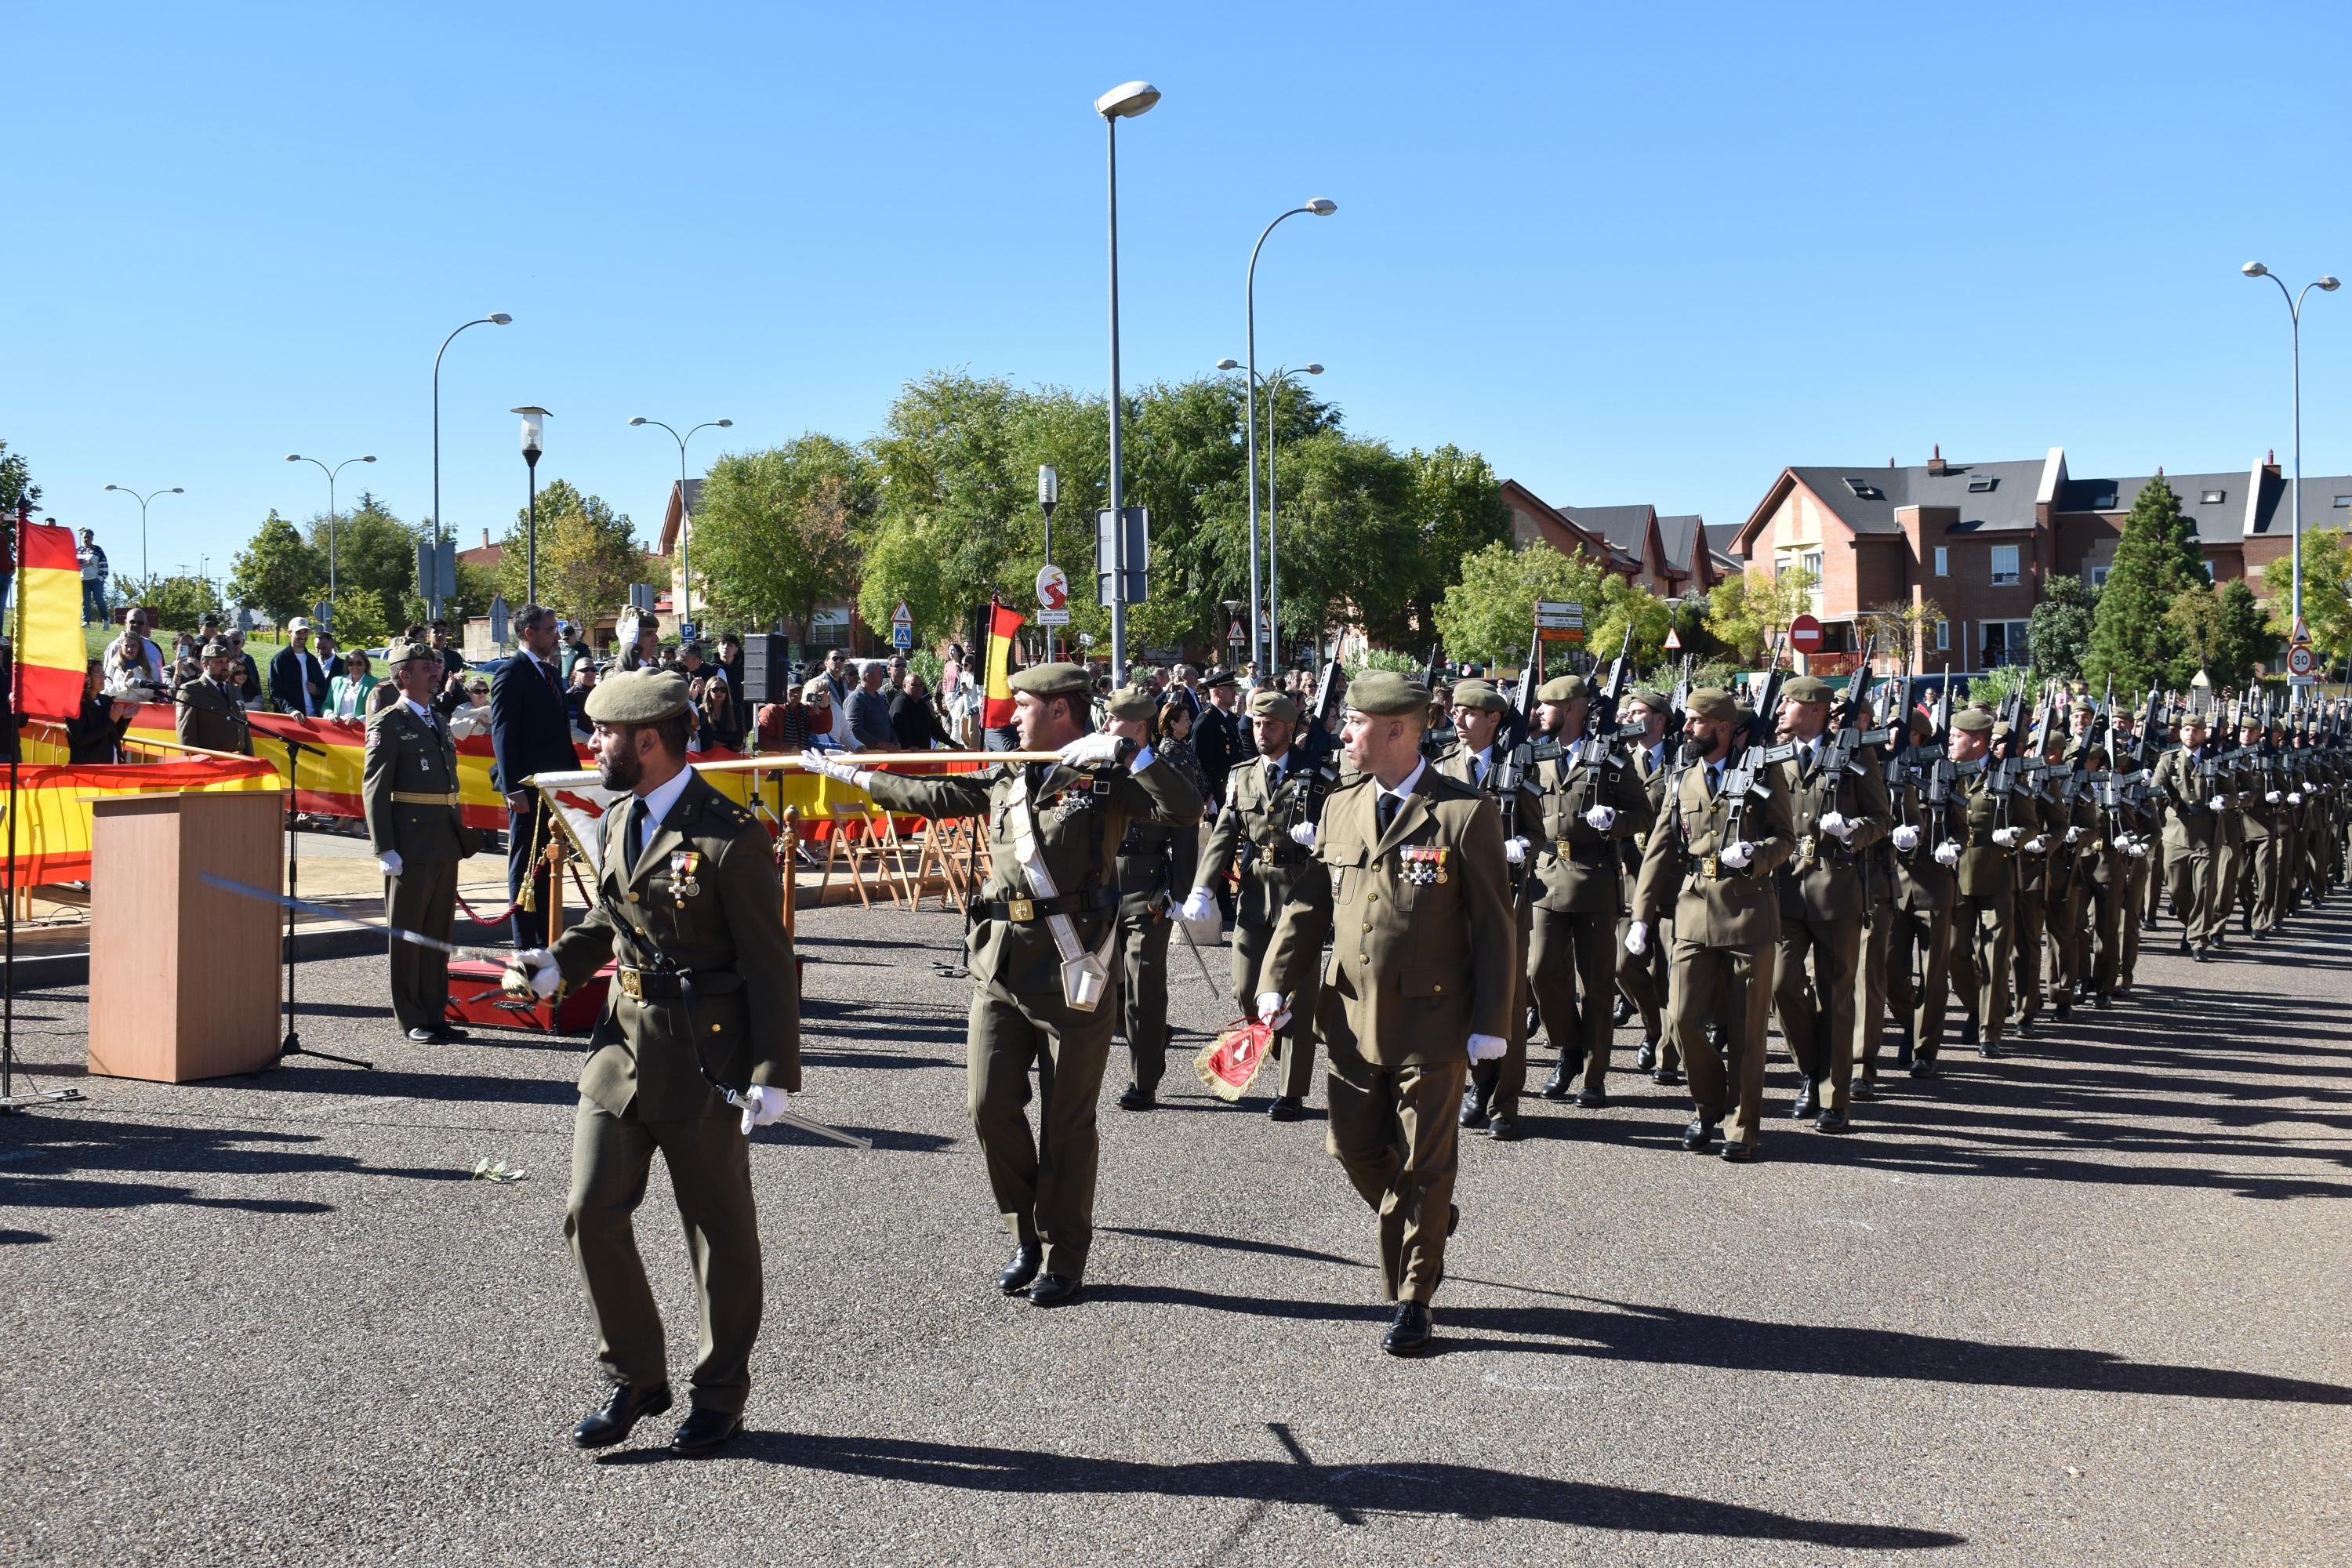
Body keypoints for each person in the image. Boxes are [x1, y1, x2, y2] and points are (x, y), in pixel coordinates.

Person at [805, 663, 1202, 1308]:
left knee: (1068, 1122)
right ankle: (1026, 1231)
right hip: (1001, 966)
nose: (1012, 717)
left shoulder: (1106, 775)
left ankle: (1065, 1254)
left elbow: (1183, 809)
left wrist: (1133, 752)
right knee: (988, 1104)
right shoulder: (1010, 772)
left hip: (1075, 968)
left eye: (1023, 706)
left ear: (1060, 711)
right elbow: (932, 799)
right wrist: (845, 772)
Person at [503, 670, 800, 1457]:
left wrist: (772, 1069)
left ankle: (720, 1393)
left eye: (603, 734)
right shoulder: (623, 811)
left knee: (718, 1234)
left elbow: (771, 965)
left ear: (649, 740)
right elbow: (612, 910)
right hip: (621, 1044)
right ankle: (636, 1374)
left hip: (702, 1055)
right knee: (590, 1210)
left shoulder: (730, 835)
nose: (591, 745)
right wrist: (557, 961)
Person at [1262, 671, 1514, 1356]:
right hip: (1347, 1019)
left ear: (1398, 730)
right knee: (1350, 1147)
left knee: (1426, 1169)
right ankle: (1430, 1221)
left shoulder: (1463, 813)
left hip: (1432, 1022)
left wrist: (1493, 1020)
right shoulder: (1342, 806)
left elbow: (1496, 927)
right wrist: (1275, 984)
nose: (1343, 735)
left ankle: (1412, 1297)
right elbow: (1308, 906)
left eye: (1355, 724)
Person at [1627, 687, 1793, 1161]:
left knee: (1746, 1032)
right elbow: (1659, 851)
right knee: (1680, 1022)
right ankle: (1707, 1107)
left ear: (1722, 727)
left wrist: (1756, 856)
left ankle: (1742, 1128)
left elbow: (1786, 838)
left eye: (1696, 722)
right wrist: (1641, 916)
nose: (1686, 729)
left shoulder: (1763, 773)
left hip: (1747, 916)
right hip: (1693, 913)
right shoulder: (1683, 777)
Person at [1181, 690, 1339, 1121]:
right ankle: (1271, 1031)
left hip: (1301, 896)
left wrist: (1319, 838)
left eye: (1271, 725)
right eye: (1256, 724)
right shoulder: (1242, 775)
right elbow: (1225, 835)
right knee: (1246, 989)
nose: (1261, 732)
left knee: (1299, 999)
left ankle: (1292, 1092)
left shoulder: (1320, 777)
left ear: (1291, 729)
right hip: (1255, 896)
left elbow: (1342, 831)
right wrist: (1203, 887)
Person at [1766, 675, 1891, 1133]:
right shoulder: (1774, 754)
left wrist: (1851, 831)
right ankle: (1810, 1069)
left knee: (1836, 995)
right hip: (1785, 889)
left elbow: (1882, 819)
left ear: (1815, 710)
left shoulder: (1856, 756)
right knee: (1781, 985)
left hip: (1837, 889)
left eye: (1788, 705)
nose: (1781, 711)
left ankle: (1833, 1097)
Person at [1527, 673, 1651, 1108]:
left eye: (1549, 705)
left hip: (1594, 878)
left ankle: (1593, 1076)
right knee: (1540, 971)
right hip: (1545, 874)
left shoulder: (1612, 758)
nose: (1540, 712)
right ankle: (1568, 1048)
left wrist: (1615, 821)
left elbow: (1643, 814)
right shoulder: (1538, 754)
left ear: (1574, 709)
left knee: (1597, 984)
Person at [1433, 680, 1548, 1139]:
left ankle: (1506, 1102)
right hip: (1453, 899)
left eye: (1469, 714)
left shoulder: (1518, 768)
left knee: (1507, 999)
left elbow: (1537, 830)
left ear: (1494, 719)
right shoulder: (1442, 768)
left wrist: (1524, 845)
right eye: (1455, 712)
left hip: (1505, 898)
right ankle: (1478, 1087)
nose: (1457, 721)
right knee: (1461, 995)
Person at [365, 641, 477, 1044]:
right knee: (408, 933)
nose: (435, 670)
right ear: (402, 675)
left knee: (438, 934)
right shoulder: (388, 723)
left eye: (435, 664)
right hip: (410, 842)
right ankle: (411, 1015)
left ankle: (435, 1011)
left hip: (444, 837)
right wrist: (384, 847)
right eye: (424, 665)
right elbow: (375, 789)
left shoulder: (436, 720)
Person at [1103, 688, 1200, 1111]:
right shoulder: (1099, 761)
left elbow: (1185, 835)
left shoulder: (1168, 766)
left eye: (1115, 722)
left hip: (1147, 889)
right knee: (1110, 989)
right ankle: (1155, 1035)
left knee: (1143, 985)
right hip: (1104, 887)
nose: (1106, 728)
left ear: (1139, 727)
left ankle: (1143, 1081)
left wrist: (1178, 893)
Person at [492, 604, 583, 949]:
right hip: (528, 789)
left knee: (550, 860)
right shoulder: (511, 673)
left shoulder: (548, 672)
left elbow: (558, 733)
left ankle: (547, 938)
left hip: (553, 787)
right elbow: (503, 734)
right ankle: (525, 944)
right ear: (529, 634)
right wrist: (512, 787)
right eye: (549, 629)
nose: (556, 636)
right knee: (526, 864)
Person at [1947, 709, 2030, 1051]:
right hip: (1954, 877)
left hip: (1996, 876)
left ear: (1977, 741)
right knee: (1954, 955)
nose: (1950, 741)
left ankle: (1990, 1032)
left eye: (1956, 736)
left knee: (1995, 958)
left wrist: (2017, 835)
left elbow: (2032, 824)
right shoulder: (1946, 774)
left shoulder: (2007, 777)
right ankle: (1976, 1007)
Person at [1613, 689, 1678, 1080]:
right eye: (1628, 712)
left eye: (1638, 712)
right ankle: (1653, 1027)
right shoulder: (1620, 760)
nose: (1630, 718)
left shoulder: (1680, 759)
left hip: (1670, 880)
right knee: (1623, 966)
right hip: (1630, 878)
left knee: (1670, 971)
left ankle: (1668, 1054)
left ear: (1660, 720)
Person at [2154, 705, 2228, 960]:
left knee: (2205, 890)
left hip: (2206, 835)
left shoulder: (2216, 761)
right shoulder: (2168, 760)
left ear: (2203, 734)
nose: (2190, 734)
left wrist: (2225, 800)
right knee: (2176, 890)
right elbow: (2155, 792)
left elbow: (2233, 792)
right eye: (2186, 729)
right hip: (2175, 834)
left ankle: (2198, 941)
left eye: (2196, 731)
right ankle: (2190, 926)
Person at [174, 640, 254, 755]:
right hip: (210, 761)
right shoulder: (192, 691)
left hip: (239, 760)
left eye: (227, 662)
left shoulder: (234, 690)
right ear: (204, 664)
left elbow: (244, 728)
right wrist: (192, 765)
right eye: (219, 662)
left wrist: (250, 758)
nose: (225, 666)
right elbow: (187, 736)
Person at [67, 660, 136, 763]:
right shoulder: (75, 705)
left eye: (103, 673)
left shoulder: (106, 700)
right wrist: (111, 720)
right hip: (90, 767)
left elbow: (114, 736)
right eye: (98, 674)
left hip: (112, 764)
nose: (103, 678)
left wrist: (123, 719)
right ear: (86, 678)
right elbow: (82, 740)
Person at [267, 619, 328, 716]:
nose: (303, 636)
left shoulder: (312, 660)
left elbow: (324, 690)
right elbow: (275, 694)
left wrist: (317, 691)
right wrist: (291, 710)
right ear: (289, 633)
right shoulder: (279, 661)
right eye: (299, 632)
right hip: (291, 721)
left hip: (315, 719)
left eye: (306, 632)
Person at [888, 671, 953, 751]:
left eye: (921, 685)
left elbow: (934, 727)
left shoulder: (921, 703)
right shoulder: (900, 702)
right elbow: (899, 728)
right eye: (914, 685)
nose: (919, 688)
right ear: (904, 686)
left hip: (922, 755)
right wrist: (907, 746)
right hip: (906, 756)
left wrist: (953, 744)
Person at [844, 658, 897, 752]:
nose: (883, 676)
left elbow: (888, 722)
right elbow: (854, 729)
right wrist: (880, 744)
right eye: (879, 673)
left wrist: (895, 741)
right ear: (868, 677)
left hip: (886, 755)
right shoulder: (855, 699)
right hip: (869, 757)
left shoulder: (880, 697)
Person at [105, 609, 166, 691]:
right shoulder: (114, 647)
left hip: (145, 701)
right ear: (126, 623)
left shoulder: (154, 649)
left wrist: (134, 685)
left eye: (140, 623)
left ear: (145, 625)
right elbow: (106, 681)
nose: (136, 625)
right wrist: (124, 685)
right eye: (132, 621)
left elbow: (160, 680)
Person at [327, 648, 378, 720]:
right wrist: (329, 714)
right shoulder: (336, 681)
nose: (355, 667)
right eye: (351, 663)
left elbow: (378, 711)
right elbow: (326, 705)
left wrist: (359, 719)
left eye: (359, 663)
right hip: (338, 728)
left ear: (366, 664)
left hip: (361, 729)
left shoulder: (375, 683)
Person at [76, 528, 110, 626]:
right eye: (84, 537)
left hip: (96, 580)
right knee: (85, 601)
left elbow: (104, 563)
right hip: (83, 580)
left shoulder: (97, 550)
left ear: (92, 538)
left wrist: (101, 577)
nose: (86, 539)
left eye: (88, 537)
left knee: (99, 600)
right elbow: (74, 564)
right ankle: (86, 621)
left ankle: (106, 619)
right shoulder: (78, 551)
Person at [226, 631, 263, 705]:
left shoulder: (249, 660)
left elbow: (256, 682)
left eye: (235, 642)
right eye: (228, 642)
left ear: (243, 643)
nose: (231, 645)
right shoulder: (222, 661)